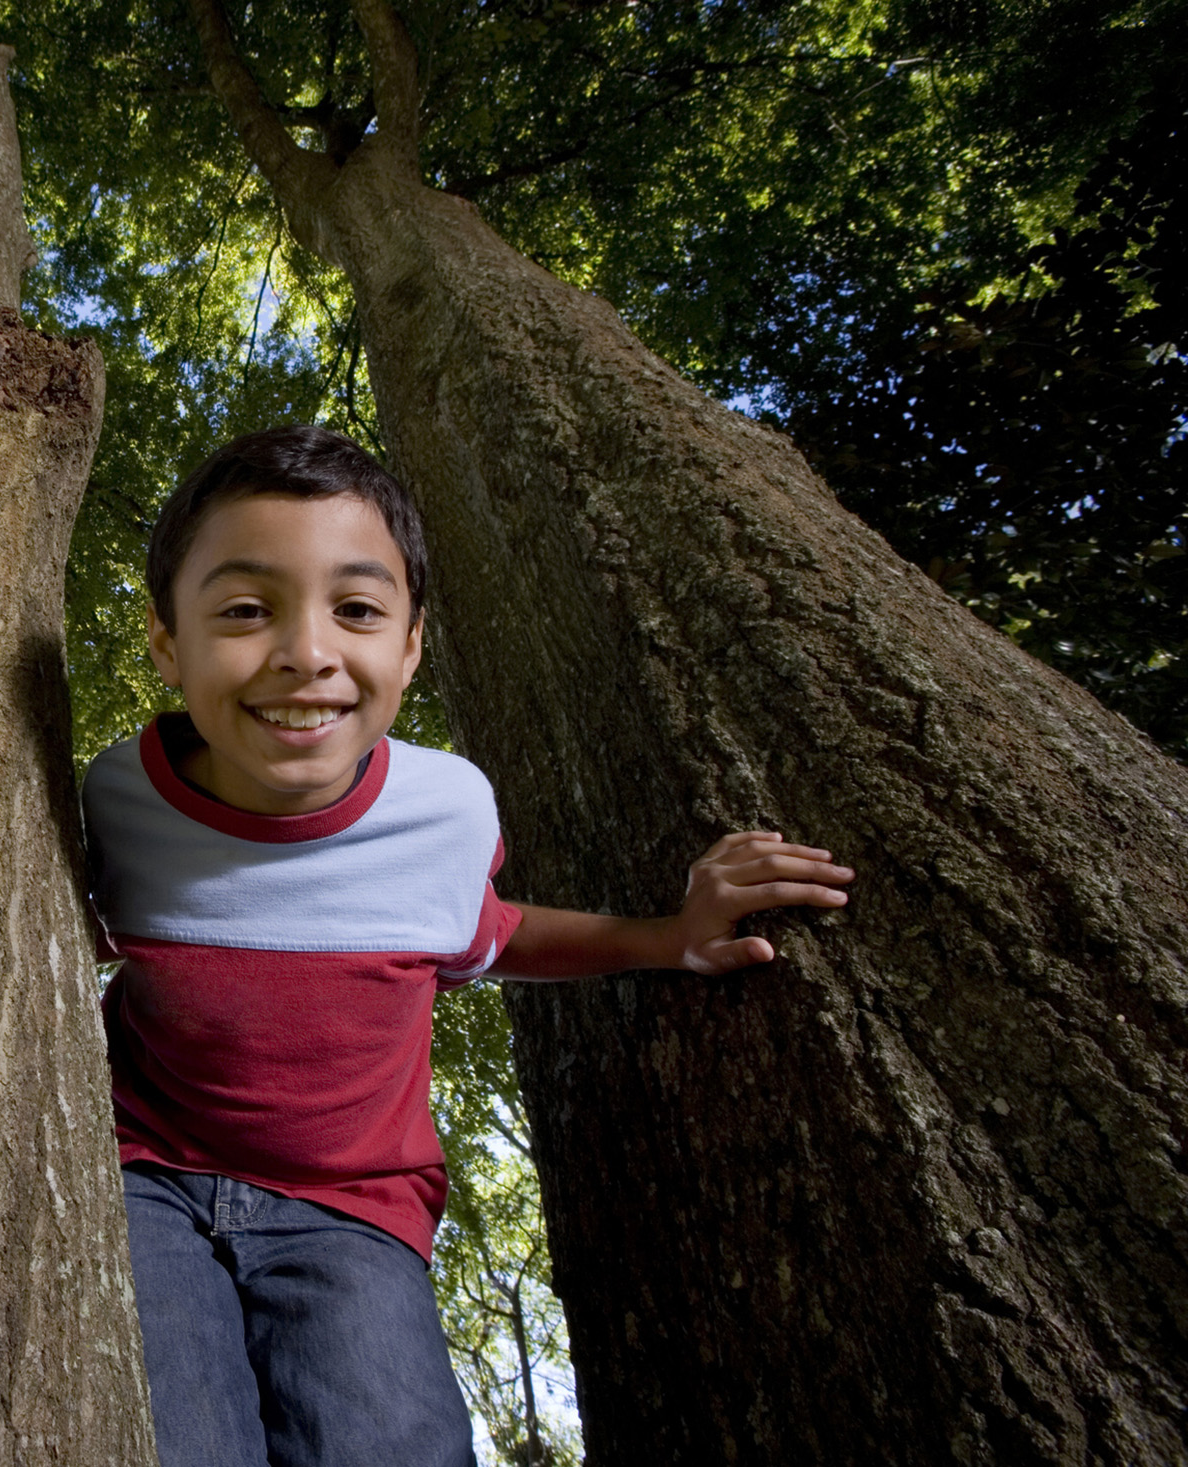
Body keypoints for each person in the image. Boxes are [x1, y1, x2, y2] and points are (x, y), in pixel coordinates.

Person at [82, 425, 854, 1467]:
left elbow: (488, 935)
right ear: (167, 642)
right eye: (243, 610)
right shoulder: (113, 796)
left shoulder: (446, 808)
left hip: (351, 1211)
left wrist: (666, 938)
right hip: (141, 1179)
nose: (306, 652)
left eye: (355, 609)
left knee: (389, 1444)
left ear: (408, 646)